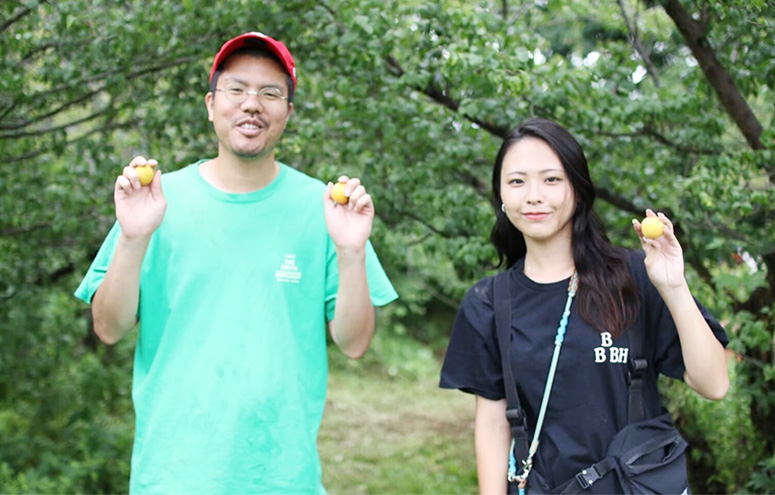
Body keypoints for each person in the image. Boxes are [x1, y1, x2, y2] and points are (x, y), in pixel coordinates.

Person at [75, 32, 398, 494]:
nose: (252, 104)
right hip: (172, 476)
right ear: (210, 104)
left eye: (270, 93)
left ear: (288, 111)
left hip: (285, 479)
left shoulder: (324, 208)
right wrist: (132, 237)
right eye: (237, 89)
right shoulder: (156, 204)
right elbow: (108, 327)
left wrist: (350, 253)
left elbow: (354, 342)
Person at [439, 117, 729, 494]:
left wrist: (673, 287)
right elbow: (494, 422)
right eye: (516, 181)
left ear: (577, 188)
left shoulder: (636, 277)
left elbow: (714, 384)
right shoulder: (489, 303)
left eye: (551, 179)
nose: (533, 195)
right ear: (501, 195)